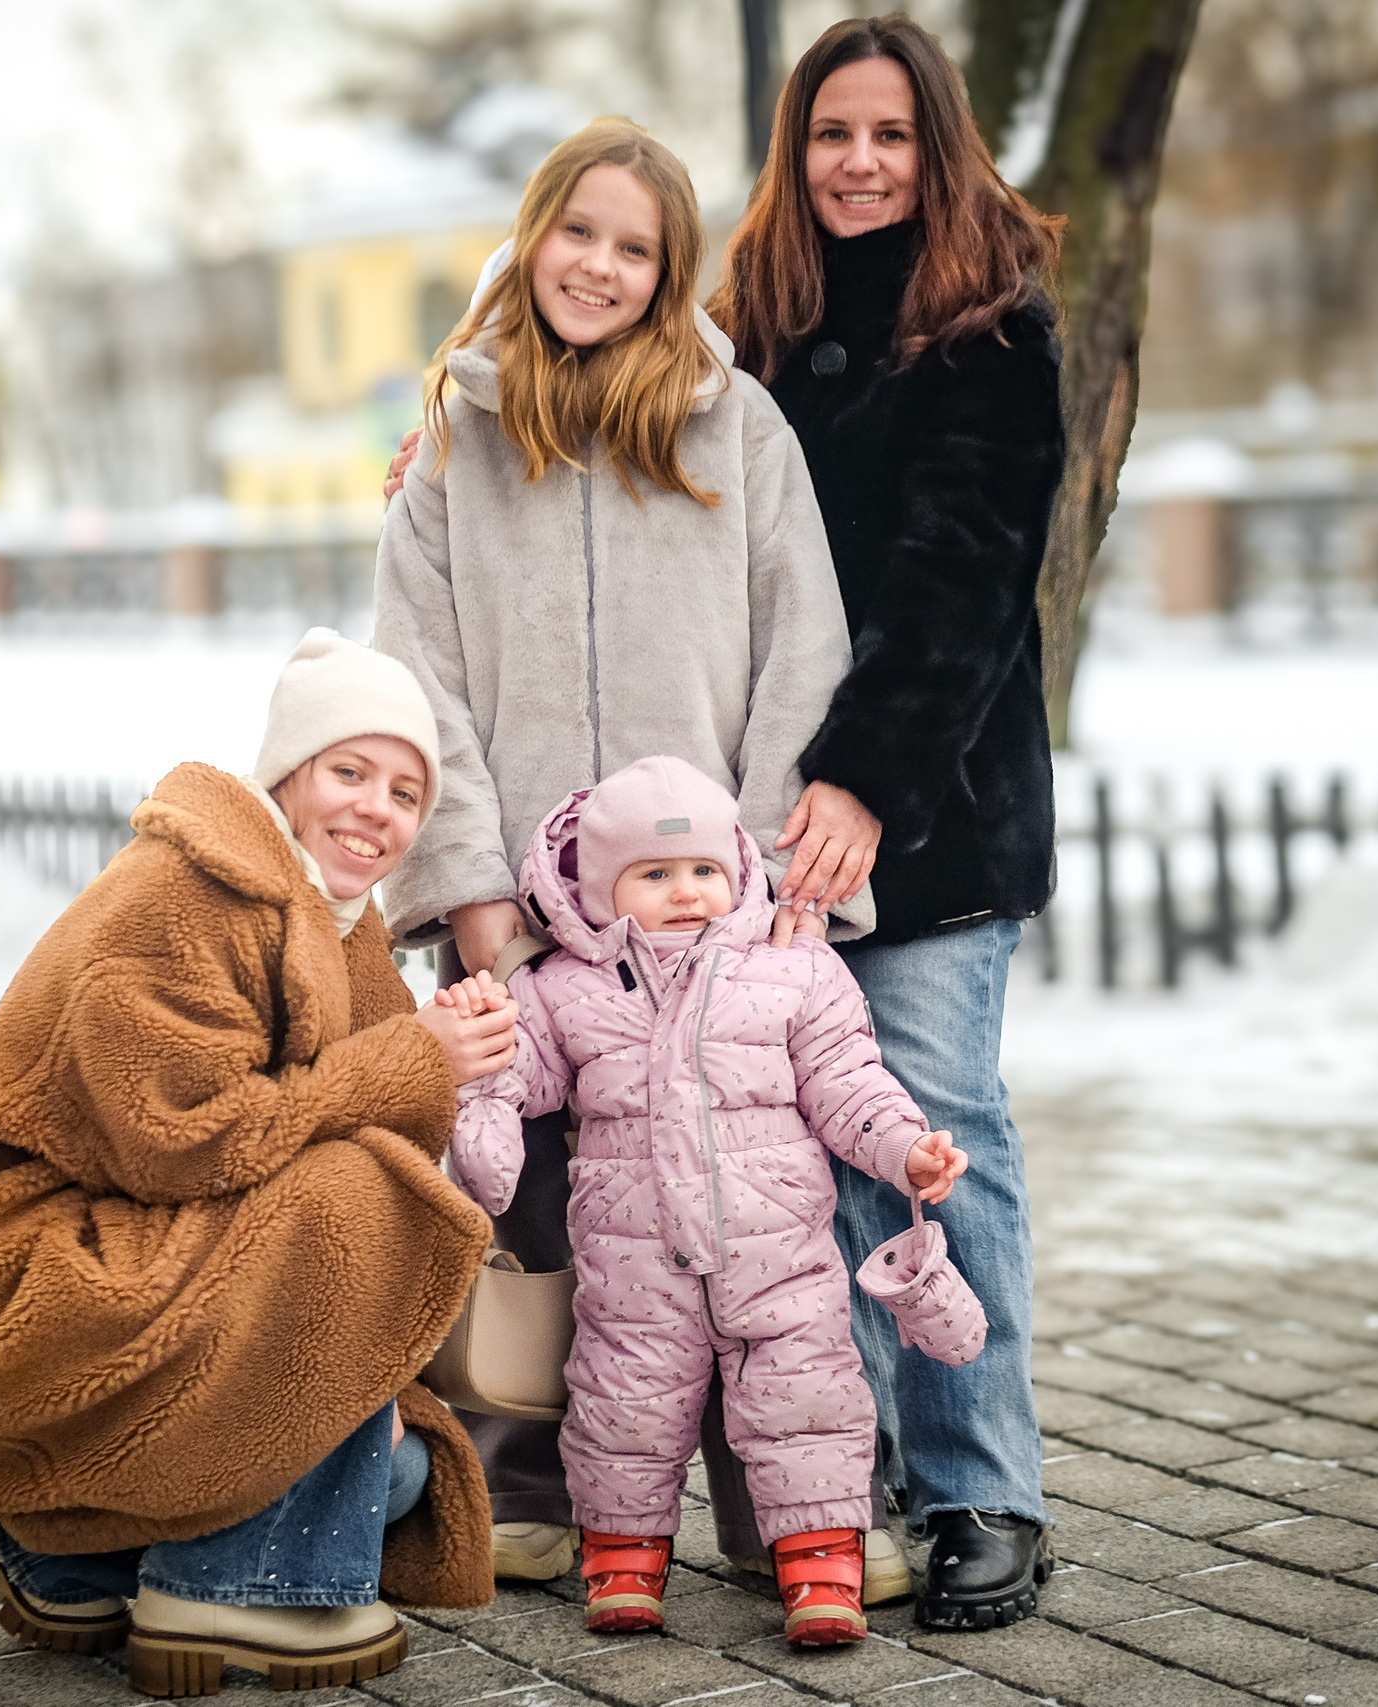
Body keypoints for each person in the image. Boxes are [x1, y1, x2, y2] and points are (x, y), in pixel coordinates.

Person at [370, 116, 904, 1594]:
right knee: (538, 1198)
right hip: (528, 911)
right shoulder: (461, 445)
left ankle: (781, 1504)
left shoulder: (736, 427)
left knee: (745, 1195)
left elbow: (806, 647)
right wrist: (473, 889)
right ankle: (530, 1483)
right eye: (577, 231)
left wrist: (767, 878)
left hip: (709, 904)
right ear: (533, 234)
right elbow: (420, 674)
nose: (598, 266)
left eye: (635, 246)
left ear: (670, 274)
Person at [0, 629, 520, 1695]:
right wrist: (411, 1059)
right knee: (359, 1202)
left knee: (389, 1475)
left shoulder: (343, 930)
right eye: (349, 772)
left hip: (118, 1284)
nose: (376, 811)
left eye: (405, 793)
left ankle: (55, 1546)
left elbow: (385, 1119)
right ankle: (235, 1585)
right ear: (288, 774)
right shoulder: (186, 891)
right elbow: (183, 1141)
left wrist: (448, 1051)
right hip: (3, 1284)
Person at [708, 16, 1069, 1631]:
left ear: (940, 149)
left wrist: (862, 778)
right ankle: (826, 1486)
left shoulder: (988, 329)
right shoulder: (746, 331)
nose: (860, 162)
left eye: (891, 135)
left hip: (929, 813)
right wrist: (450, 444)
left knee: (934, 1141)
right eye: (831, 134)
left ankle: (980, 1490)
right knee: (795, 1157)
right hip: (771, 824)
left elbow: (963, 580)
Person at [439, 757, 970, 1646]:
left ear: (736, 870)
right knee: (623, 1408)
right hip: (634, 1263)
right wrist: (485, 1054)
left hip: (780, 1256)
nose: (686, 892)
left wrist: (904, 1146)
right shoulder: (564, 985)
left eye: (703, 871)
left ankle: (821, 1566)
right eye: (653, 874)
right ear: (600, 890)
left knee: (805, 1400)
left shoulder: (791, 968)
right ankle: (623, 1562)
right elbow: (525, 1078)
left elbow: (847, 1080)